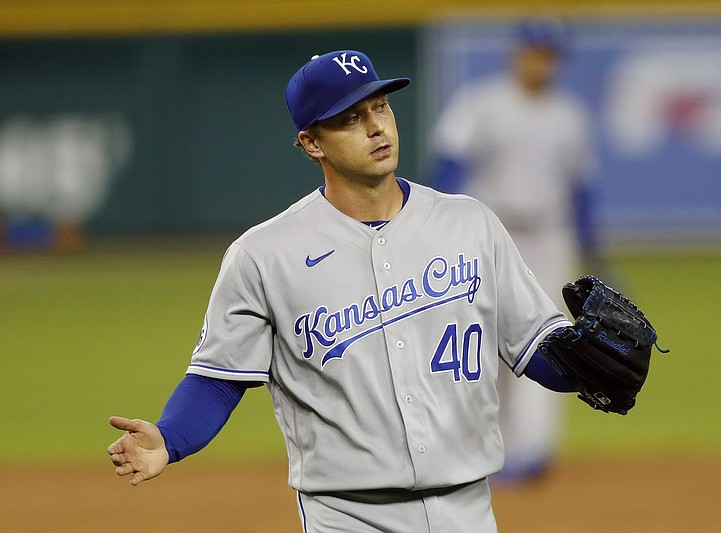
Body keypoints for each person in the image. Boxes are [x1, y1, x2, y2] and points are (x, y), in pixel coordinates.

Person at [108, 49, 580, 532]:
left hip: (470, 512)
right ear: (312, 143)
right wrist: (170, 438)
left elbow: (535, 346)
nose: (376, 127)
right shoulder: (263, 255)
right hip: (349, 517)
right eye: (351, 118)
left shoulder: (469, 223)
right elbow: (219, 377)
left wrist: (590, 362)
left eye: (381, 107)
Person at [430, 20, 599, 482]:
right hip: (492, 231)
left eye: (548, 55)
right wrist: (440, 230)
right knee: (484, 336)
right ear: (516, 54)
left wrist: (595, 255)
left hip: (550, 236)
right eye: (533, 52)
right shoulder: (482, 104)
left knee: (551, 336)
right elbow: (448, 166)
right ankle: (491, 445)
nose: (539, 62)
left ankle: (534, 451)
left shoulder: (570, 115)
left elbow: (581, 189)